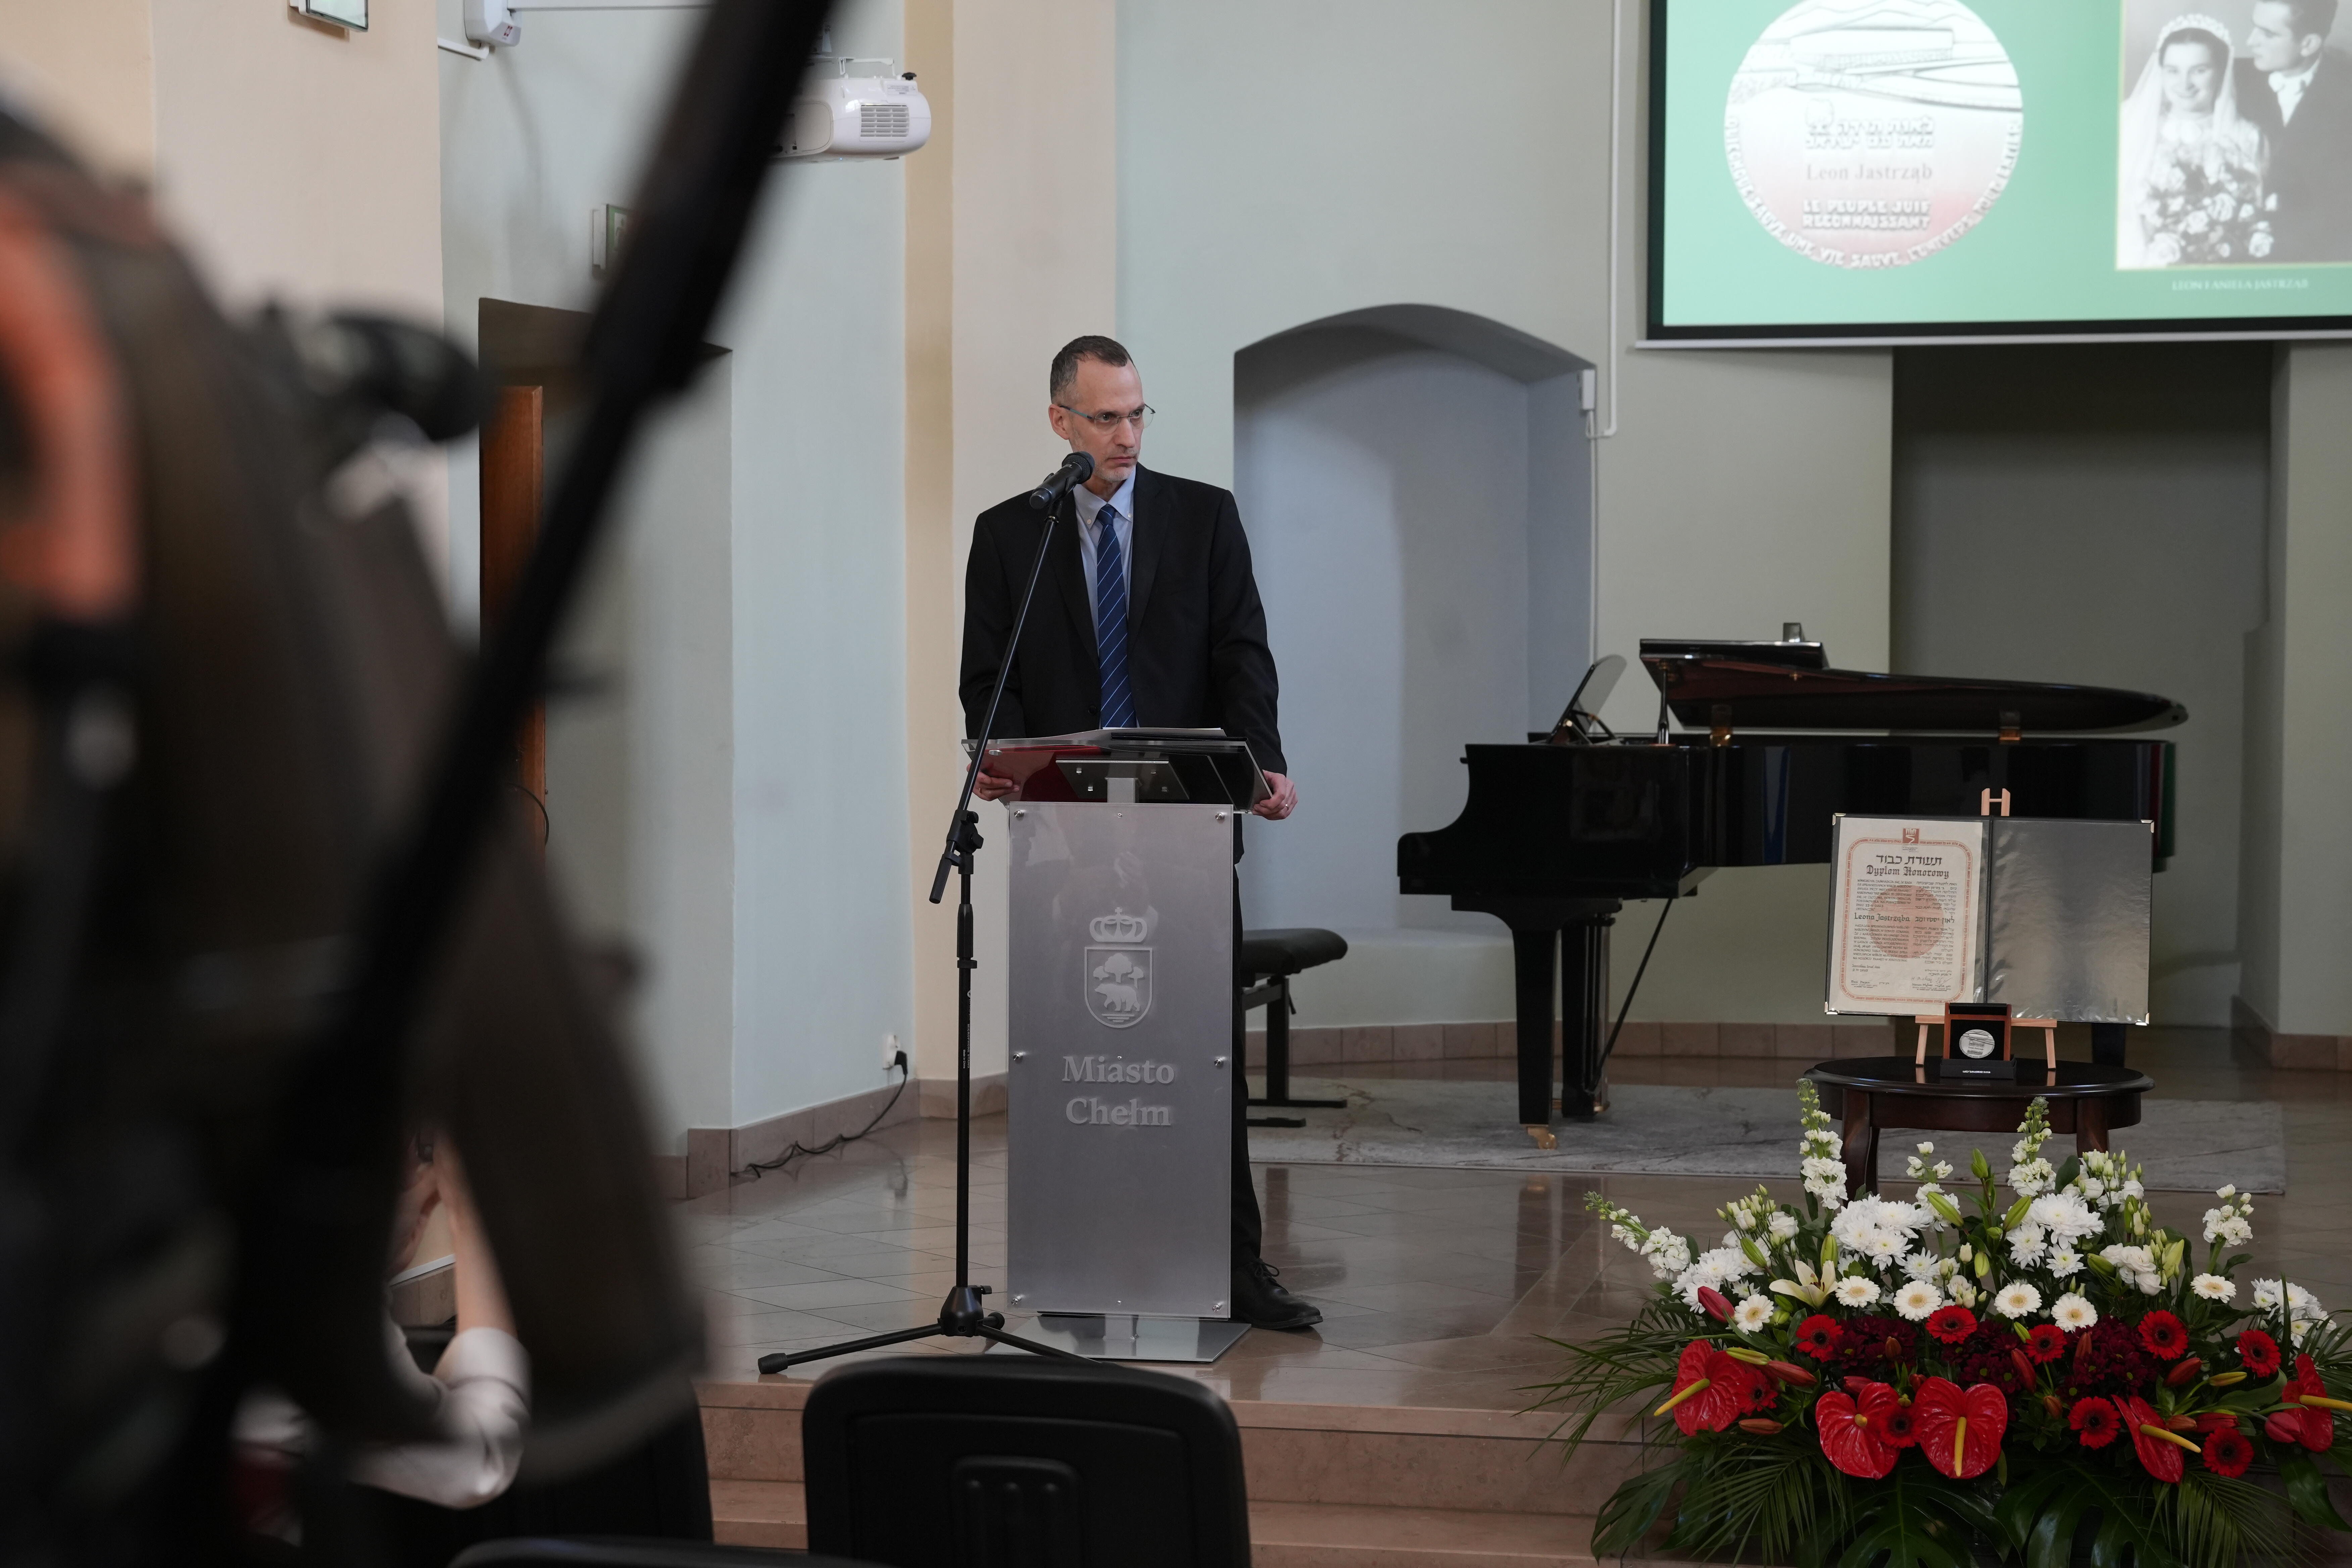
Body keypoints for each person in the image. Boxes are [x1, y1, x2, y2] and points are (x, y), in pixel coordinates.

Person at [958, 335, 1319, 1332]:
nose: (1127, 435)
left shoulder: (1202, 517)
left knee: (1202, 1055)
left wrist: (1262, 761)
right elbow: (988, 677)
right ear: (1060, 422)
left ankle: (1235, 1268)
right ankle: (1080, 1265)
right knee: (1077, 1059)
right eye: (1106, 417)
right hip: (1064, 846)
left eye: (1136, 414)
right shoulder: (1010, 536)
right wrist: (999, 755)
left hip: (1185, 835)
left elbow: (1243, 653)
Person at [235, 1136, 530, 1538]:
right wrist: (471, 1210)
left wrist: (363, 1260)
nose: (416, 1166)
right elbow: (478, 1463)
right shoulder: (310, 1308)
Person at [2119, 17, 2270, 266]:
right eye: (2173, 71)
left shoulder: (2247, 136)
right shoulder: (2129, 123)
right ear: (2161, 71)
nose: (2185, 84)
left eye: (2199, 71)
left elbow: (2251, 218)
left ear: (2221, 72)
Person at [2236, 0, 2352, 261]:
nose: (2251, 42)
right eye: (2255, 28)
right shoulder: (2231, 82)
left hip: (2324, 258)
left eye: (2268, 34)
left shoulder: (2347, 94)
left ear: (2308, 44)